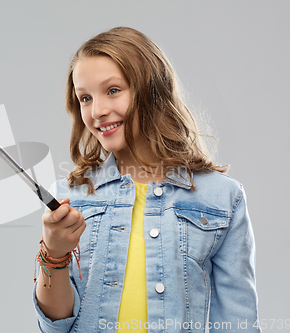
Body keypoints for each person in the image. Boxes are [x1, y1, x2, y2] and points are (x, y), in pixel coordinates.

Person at [33, 27, 260, 333]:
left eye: (113, 90)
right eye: (85, 98)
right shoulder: (69, 197)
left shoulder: (222, 198)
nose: (97, 111)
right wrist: (54, 252)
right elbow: (54, 327)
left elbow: (237, 325)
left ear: (153, 91)